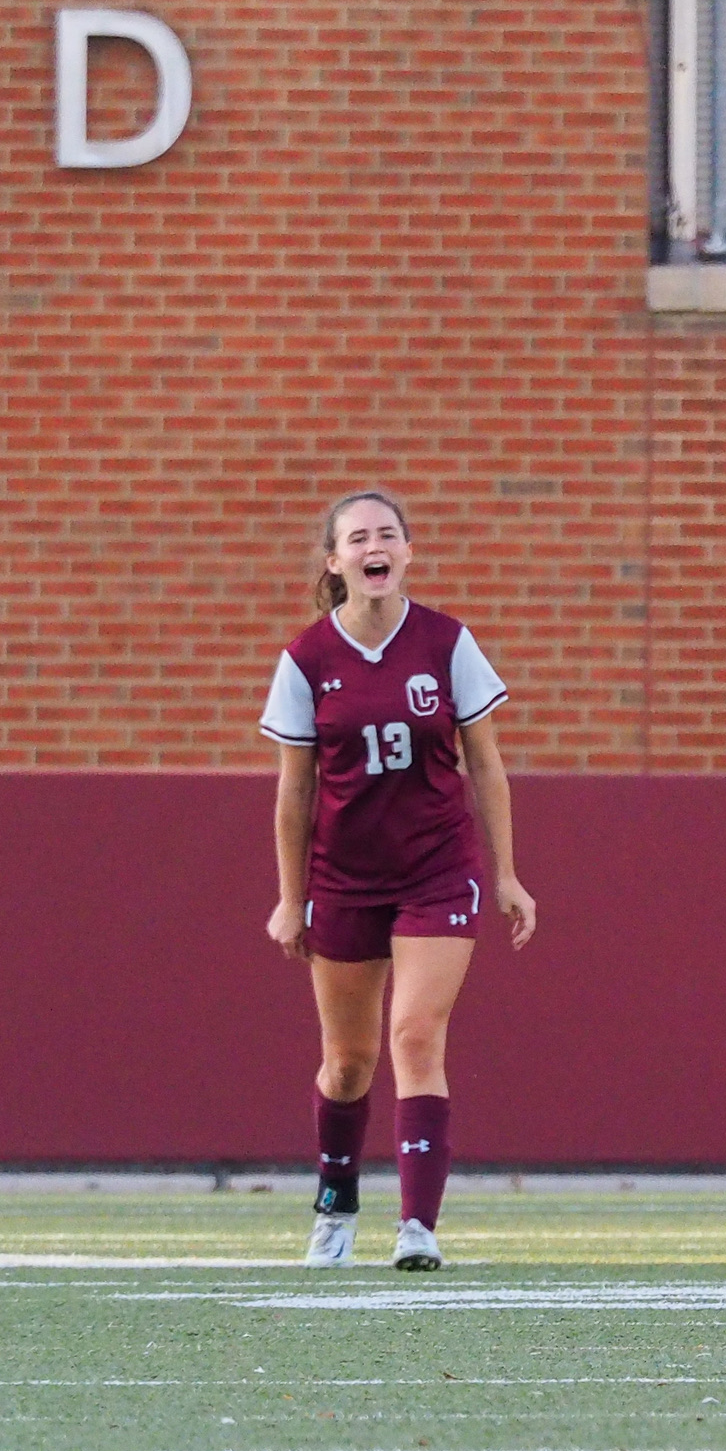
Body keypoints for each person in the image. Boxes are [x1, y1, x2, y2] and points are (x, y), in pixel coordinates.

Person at [259, 490, 537, 1271]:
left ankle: (418, 1226)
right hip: (343, 878)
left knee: (415, 1034)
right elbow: (295, 790)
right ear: (335, 561)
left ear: (407, 553)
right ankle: (336, 1200)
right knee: (348, 1061)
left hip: (437, 872)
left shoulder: (447, 643)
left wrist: (506, 875)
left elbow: (485, 763)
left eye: (388, 535)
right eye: (358, 538)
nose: (374, 548)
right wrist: (290, 897)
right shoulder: (307, 660)